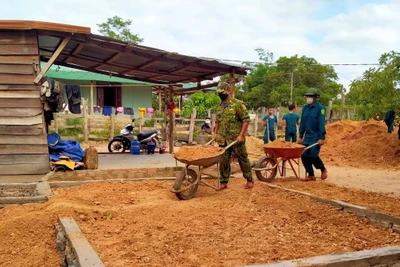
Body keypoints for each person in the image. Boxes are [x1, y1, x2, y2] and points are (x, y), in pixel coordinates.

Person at [214, 82, 254, 190]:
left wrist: (241, 135)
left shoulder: (237, 104)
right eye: (219, 93)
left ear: (228, 91)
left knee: (242, 158)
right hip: (223, 138)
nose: (220, 94)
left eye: (222, 92)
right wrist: (215, 132)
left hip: (236, 138)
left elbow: (246, 120)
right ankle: (223, 181)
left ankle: (249, 179)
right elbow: (217, 120)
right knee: (224, 160)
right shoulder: (219, 106)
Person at [298, 88, 328, 182]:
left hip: (316, 135)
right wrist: (300, 136)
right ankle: (311, 174)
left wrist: (321, 137)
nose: (308, 98)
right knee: (303, 155)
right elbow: (302, 122)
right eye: (307, 96)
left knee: (313, 155)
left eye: (310, 96)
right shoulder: (305, 108)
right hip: (307, 135)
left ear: (315, 97)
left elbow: (321, 123)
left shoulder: (320, 108)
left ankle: (322, 169)